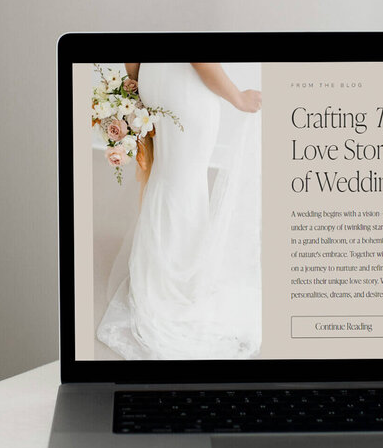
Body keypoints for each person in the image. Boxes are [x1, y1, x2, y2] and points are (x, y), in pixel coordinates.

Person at [97, 63, 263, 360]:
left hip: (153, 79)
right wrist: (238, 97)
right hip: (185, 88)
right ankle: (179, 284)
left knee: (168, 176)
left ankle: (159, 275)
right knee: (187, 181)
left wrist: (136, 86)